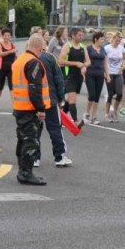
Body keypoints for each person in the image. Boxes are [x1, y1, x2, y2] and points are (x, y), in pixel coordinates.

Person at [11, 35, 51, 185]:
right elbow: (34, 89)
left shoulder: (20, 60)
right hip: (29, 108)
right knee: (31, 141)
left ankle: (22, 170)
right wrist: (41, 109)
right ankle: (26, 173)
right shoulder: (34, 63)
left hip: (20, 107)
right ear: (40, 48)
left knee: (22, 139)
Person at [36, 40, 73, 168]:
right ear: (44, 46)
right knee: (55, 128)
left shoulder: (27, 58)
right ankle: (60, 157)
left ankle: (34, 158)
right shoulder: (50, 58)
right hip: (50, 100)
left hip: (34, 101)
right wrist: (61, 98)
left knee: (35, 130)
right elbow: (59, 78)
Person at [59, 28, 90, 125]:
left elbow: (88, 61)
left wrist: (84, 66)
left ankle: (61, 118)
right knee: (72, 98)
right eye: (79, 35)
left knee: (69, 99)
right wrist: (76, 63)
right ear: (73, 36)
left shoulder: (83, 47)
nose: (82, 37)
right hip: (69, 76)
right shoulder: (67, 46)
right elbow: (60, 61)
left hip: (79, 77)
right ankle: (76, 121)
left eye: (82, 35)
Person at [84, 31, 109, 125]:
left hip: (100, 75)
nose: (103, 41)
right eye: (102, 39)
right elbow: (85, 61)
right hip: (90, 74)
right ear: (96, 39)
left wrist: (108, 74)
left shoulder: (103, 49)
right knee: (92, 95)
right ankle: (86, 113)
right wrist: (83, 71)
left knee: (97, 97)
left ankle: (94, 116)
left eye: (103, 39)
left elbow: (105, 63)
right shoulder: (88, 49)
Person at [104, 31, 125, 122]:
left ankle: (114, 111)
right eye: (117, 40)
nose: (118, 42)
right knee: (110, 94)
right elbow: (103, 61)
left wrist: (123, 66)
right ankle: (107, 113)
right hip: (109, 73)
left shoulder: (121, 48)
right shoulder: (107, 48)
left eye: (120, 41)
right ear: (113, 39)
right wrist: (106, 73)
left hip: (118, 73)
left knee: (119, 94)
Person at [0, 28, 18, 110]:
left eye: (8, 35)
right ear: (2, 36)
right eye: (5, 35)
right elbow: (0, 54)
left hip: (11, 69)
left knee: (12, 87)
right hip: (1, 68)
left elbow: (15, 57)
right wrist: (11, 51)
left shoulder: (12, 45)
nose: (7, 37)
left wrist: (17, 62)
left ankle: (15, 107)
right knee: (0, 87)